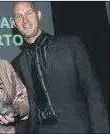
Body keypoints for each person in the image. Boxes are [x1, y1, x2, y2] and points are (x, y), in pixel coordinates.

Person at [11, 1, 109, 133]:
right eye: (19, 16)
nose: (25, 20)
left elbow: (93, 93)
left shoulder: (71, 45)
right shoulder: (17, 63)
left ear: (38, 15)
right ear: (14, 23)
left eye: (29, 13)